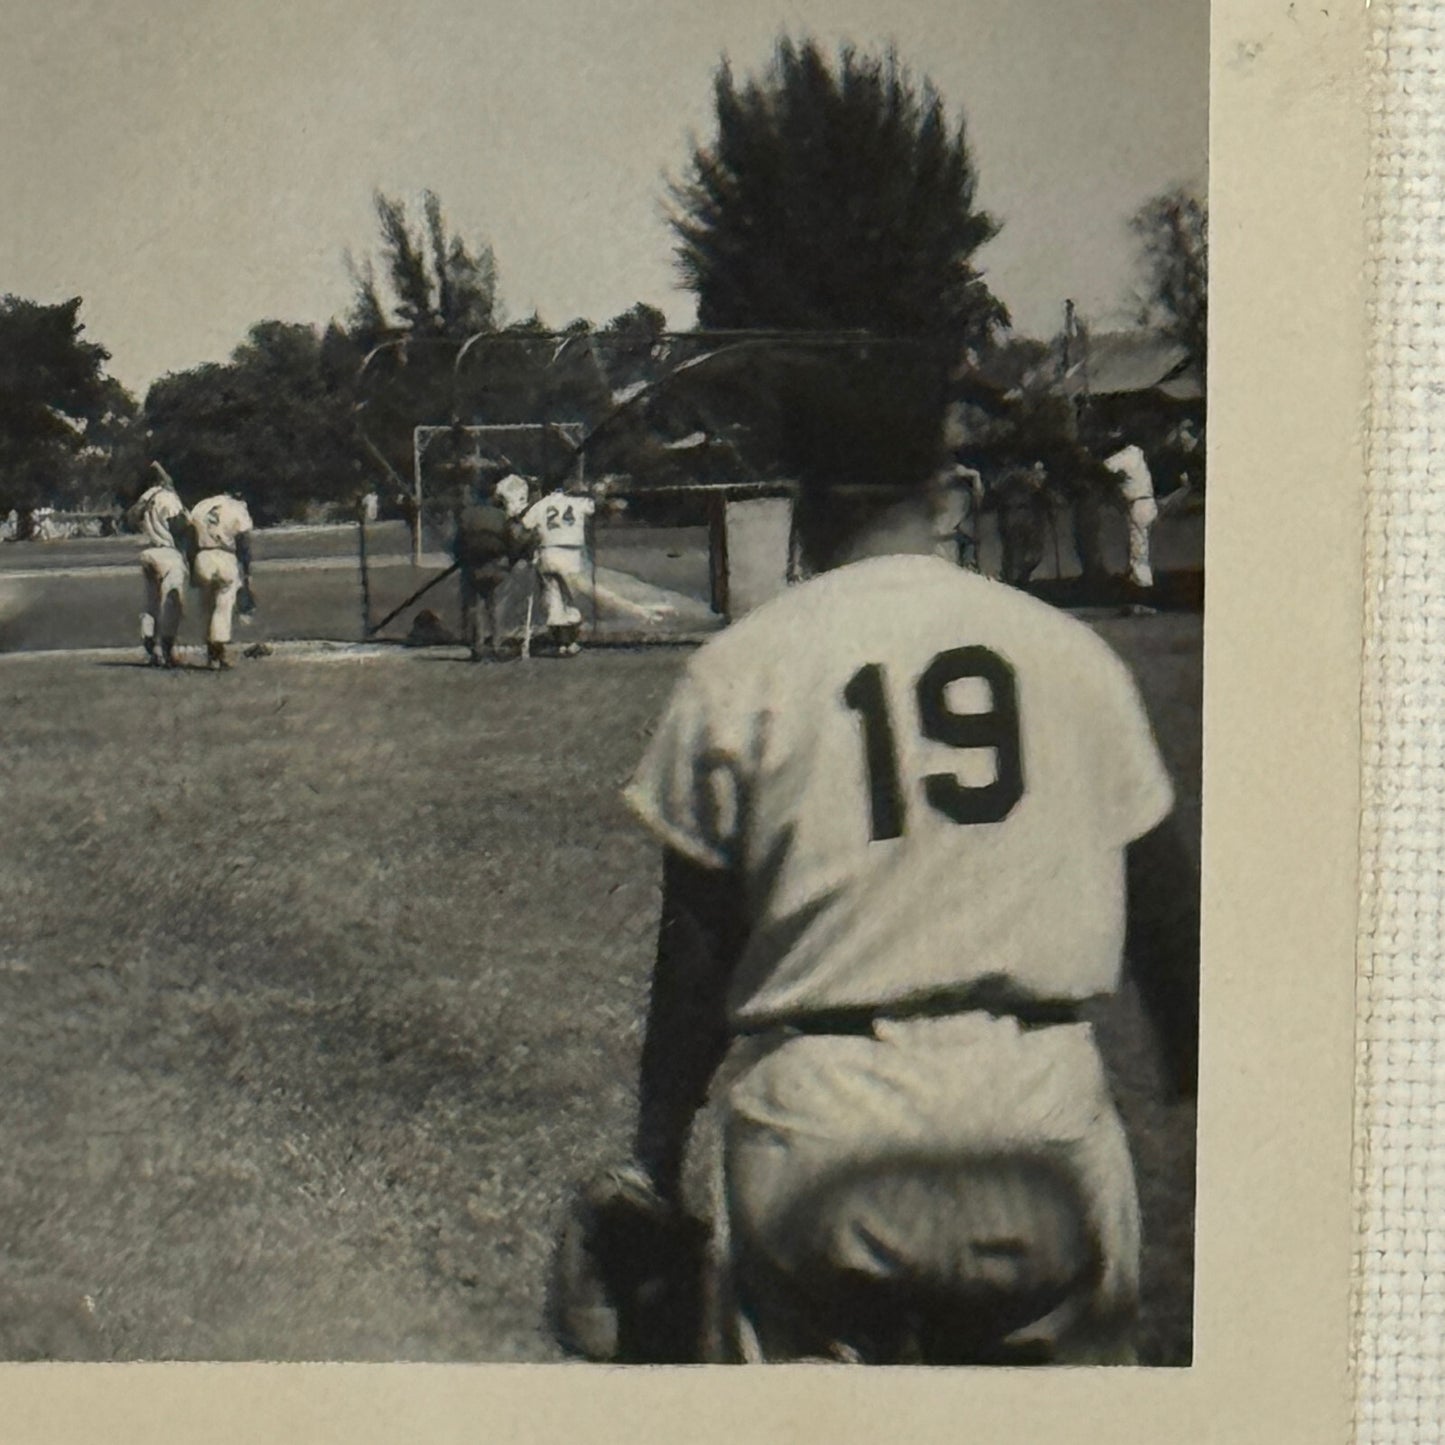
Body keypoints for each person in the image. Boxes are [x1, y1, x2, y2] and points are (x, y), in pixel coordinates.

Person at [612, 380, 1200, 1366]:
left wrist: (655, 1152)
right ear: (951, 494)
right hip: (1033, 1104)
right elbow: (1167, 913)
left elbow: (696, 947)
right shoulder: (1070, 653)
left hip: (824, 1119)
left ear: (801, 502)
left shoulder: (741, 665)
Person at [453, 473, 532, 662]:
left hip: (473, 566)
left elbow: (457, 542)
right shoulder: (500, 515)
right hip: (496, 564)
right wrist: (512, 559)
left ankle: (477, 645)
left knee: (474, 607)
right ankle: (496, 643)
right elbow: (512, 540)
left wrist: (461, 559)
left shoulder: (466, 514)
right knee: (495, 606)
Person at [520, 480, 597, 656]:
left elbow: (525, 524)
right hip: (571, 554)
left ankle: (561, 642)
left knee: (553, 597)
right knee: (571, 597)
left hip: (548, 552)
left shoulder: (541, 504)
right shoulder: (576, 502)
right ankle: (571, 641)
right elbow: (593, 507)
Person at [124, 462, 187, 668]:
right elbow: (178, 527)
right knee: (170, 605)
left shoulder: (145, 498)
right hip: (168, 553)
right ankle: (167, 651)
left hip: (148, 552)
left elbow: (130, 520)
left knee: (151, 604)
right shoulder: (167, 497)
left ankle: (152, 649)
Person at [186, 491, 254, 671]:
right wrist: (247, 572)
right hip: (225, 556)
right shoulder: (236, 506)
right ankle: (218, 654)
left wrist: (193, 565)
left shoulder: (201, 505)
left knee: (206, 607)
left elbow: (190, 539)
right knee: (223, 606)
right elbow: (244, 542)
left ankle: (210, 653)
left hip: (203, 556)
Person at [1104, 441, 1159, 594]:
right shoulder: (1138, 454)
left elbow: (1106, 467)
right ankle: (1139, 582)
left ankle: (1142, 586)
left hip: (1138, 503)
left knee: (1138, 546)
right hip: (1148, 502)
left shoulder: (1128, 454)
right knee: (1142, 545)